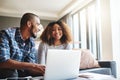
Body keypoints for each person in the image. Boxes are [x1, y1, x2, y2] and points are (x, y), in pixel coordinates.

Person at [0, 13, 45, 79]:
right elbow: (3, 62)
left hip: (19, 72)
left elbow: (29, 68)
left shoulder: (31, 42)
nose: (39, 29)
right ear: (29, 24)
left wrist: (43, 70)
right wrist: (34, 66)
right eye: (38, 24)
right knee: (11, 72)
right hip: (5, 71)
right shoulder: (6, 34)